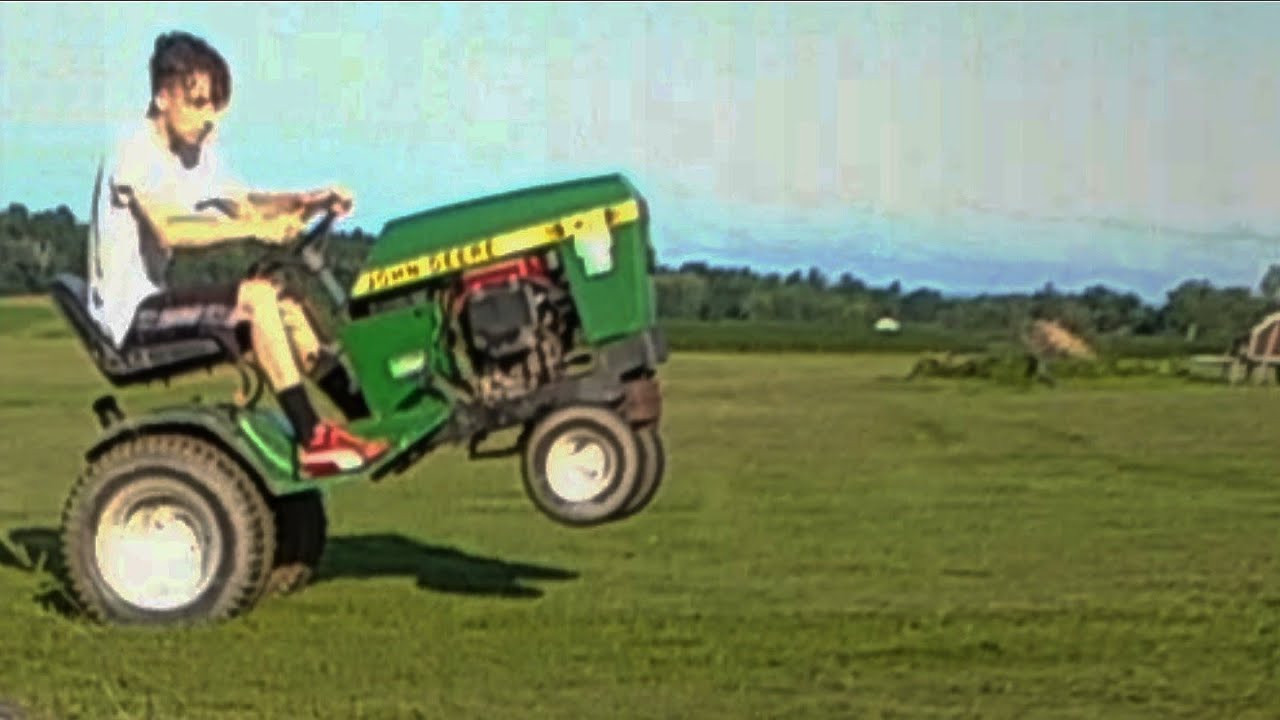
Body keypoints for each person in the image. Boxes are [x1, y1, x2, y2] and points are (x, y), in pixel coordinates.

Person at [88, 30, 389, 477]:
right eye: (199, 103)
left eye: (215, 105)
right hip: (129, 317)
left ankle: (369, 418)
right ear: (162, 96)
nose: (209, 119)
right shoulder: (132, 152)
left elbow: (246, 203)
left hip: (156, 304)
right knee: (256, 297)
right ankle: (313, 440)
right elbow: (171, 230)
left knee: (284, 303)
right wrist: (257, 230)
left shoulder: (195, 154)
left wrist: (310, 200)